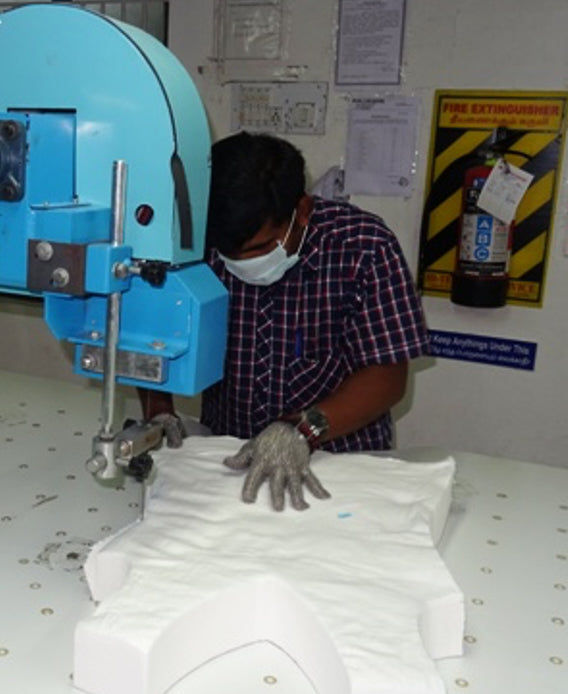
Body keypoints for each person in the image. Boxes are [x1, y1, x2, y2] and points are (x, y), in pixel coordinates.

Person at [141, 131, 431, 511]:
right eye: (230, 254)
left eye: (262, 248)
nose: (243, 264)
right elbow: (151, 339)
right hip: (230, 460)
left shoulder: (363, 247)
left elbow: (387, 377)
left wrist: (302, 430)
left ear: (303, 210)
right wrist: (159, 411)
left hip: (337, 459)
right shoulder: (195, 245)